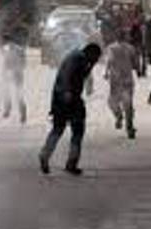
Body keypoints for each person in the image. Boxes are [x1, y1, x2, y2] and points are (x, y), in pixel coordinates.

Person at [39, 43, 102, 176]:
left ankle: (47, 155)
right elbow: (66, 75)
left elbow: (82, 77)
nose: (96, 60)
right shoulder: (77, 58)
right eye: (96, 57)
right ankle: (69, 162)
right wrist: (67, 92)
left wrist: (91, 66)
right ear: (90, 53)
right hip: (67, 97)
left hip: (64, 98)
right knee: (74, 130)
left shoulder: (79, 58)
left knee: (62, 129)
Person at [104, 32, 139, 139]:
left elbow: (109, 61)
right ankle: (130, 128)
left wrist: (106, 72)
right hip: (127, 79)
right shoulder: (131, 48)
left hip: (115, 79)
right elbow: (135, 63)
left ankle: (118, 115)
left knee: (113, 101)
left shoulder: (111, 48)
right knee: (128, 104)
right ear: (125, 37)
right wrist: (137, 69)